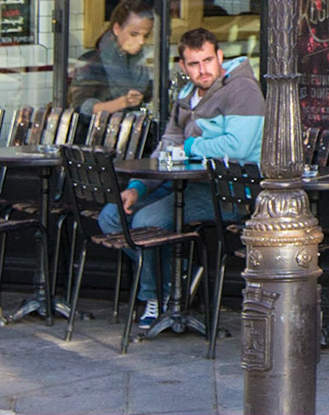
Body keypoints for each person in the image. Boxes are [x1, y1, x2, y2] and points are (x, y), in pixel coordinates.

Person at [98, 27, 263, 334]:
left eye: (208, 60)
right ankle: (175, 283)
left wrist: (189, 147)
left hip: (231, 190)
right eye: (194, 63)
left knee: (146, 220)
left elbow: (237, 148)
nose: (203, 70)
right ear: (183, 66)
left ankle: (154, 298)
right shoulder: (186, 95)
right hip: (187, 185)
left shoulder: (243, 90)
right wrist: (136, 188)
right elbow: (165, 147)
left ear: (220, 57)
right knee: (112, 216)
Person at [67, 0, 154, 117]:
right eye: (134, 34)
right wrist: (121, 103)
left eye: (146, 35)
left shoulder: (141, 65)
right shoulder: (92, 62)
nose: (141, 41)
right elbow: (80, 107)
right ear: (117, 29)